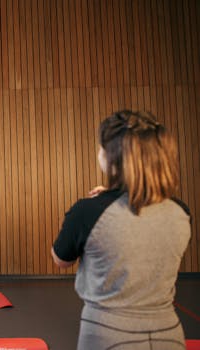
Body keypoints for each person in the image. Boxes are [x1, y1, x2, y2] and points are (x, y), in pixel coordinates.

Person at [51, 110, 191, 350]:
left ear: (111, 157)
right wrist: (114, 194)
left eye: (100, 147)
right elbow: (143, 229)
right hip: (169, 334)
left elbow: (61, 259)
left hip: (107, 336)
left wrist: (103, 202)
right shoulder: (181, 211)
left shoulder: (87, 212)